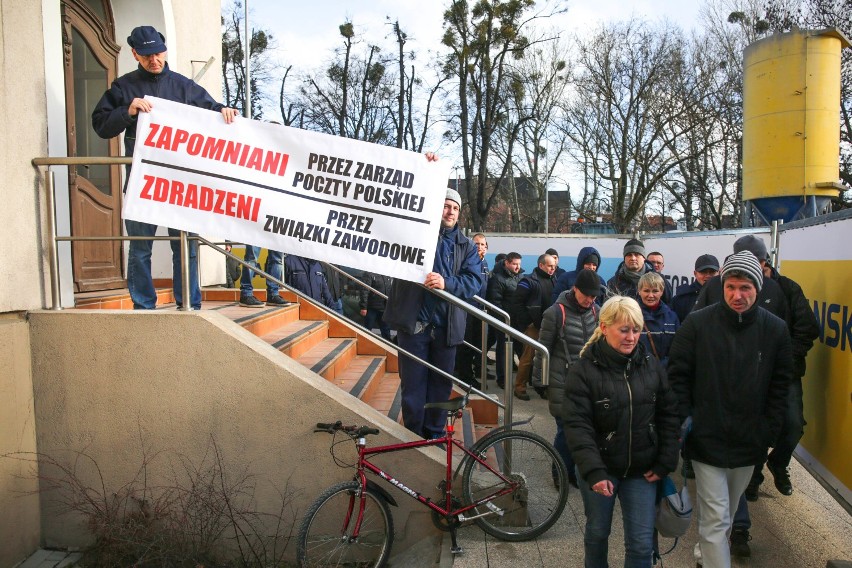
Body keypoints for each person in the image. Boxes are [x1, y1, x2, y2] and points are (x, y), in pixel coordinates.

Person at [92, 25, 238, 310]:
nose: (154, 60)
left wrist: (224, 110)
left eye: (158, 53)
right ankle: (144, 306)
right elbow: (100, 125)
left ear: (165, 49)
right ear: (135, 53)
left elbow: (211, 111)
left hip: (180, 186)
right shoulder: (123, 87)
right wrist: (127, 111)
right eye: (146, 55)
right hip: (142, 184)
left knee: (185, 247)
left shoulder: (184, 86)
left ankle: (190, 305)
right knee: (139, 249)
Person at [667, 251, 791, 568]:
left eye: (745, 288)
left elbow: (781, 385)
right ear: (722, 286)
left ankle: (706, 552)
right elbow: (677, 376)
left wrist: (768, 431)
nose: (737, 295)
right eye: (731, 287)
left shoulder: (775, 330)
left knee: (728, 513)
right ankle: (712, 555)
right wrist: (686, 419)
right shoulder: (698, 324)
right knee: (715, 519)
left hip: (749, 443)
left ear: (758, 288)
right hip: (706, 440)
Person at [564, 296, 680, 568]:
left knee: (641, 545)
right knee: (597, 533)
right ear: (604, 328)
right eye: (624, 329)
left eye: (636, 330)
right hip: (600, 469)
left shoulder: (650, 364)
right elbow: (577, 425)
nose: (631, 337)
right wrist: (594, 471)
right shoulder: (583, 370)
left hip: (642, 470)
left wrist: (665, 460)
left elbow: (668, 414)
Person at [726, 235, 819, 558]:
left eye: (760, 264)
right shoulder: (732, 290)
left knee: (793, 425)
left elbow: (808, 328)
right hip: (751, 378)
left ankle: (778, 463)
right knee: (751, 429)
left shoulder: (788, 290)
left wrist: (784, 361)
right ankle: (751, 479)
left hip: (786, 374)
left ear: (766, 262)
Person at [383, 186, 481, 439]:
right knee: (413, 385)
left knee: (440, 386)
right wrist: (427, 168)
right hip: (414, 324)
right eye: (446, 206)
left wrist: (447, 283)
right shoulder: (415, 234)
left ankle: (434, 434)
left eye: (455, 208)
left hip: (446, 328)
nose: (450, 212)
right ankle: (413, 435)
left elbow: (473, 281)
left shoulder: (467, 246)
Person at [533, 269, 602, 490]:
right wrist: (540, 381)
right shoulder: (555, 313)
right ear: (575, 289)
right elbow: (542, 350)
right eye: (586, 295)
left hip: (588, 384)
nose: (590, 300)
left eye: (594, 297)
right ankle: (560, 472)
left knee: (583, 431)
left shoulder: (598, 313)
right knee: (565, 431)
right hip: (561, 382)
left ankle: (571, 472)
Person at [509, 253, 557, 401]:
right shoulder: (528, 281)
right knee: (528, 358)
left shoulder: (554, 280)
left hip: (549, 325)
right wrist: (527, 323)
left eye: (554, 267)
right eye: (550, 266)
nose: (552, 269)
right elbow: (516, 303)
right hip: (534, 326)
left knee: (547, 358)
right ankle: (519, 387)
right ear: (541, 265)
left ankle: (542, 386)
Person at [454, 233, 491, 389]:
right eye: (477, 244)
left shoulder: (485, 264)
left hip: (479, 311)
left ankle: (474, 372)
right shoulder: (467, 261)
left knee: (478, 344)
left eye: (483, 245)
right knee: (466, 346)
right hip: (467, 309)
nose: (480, 247)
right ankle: (464, 376)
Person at [486, 252, 524, 389]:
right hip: (504, 320)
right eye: (514, 264)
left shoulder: (520, 276)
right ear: (507, 263)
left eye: (519, 264)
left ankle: (526, 375)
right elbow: (495, 302)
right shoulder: (498, 279)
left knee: (521, 347)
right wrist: (503, 319)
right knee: (502, 349)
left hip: (517, 319)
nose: (517, 267)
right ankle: (502, 378)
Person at [607, 239, 672, 304]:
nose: (633, 258)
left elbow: (668, 306)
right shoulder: (614, 282)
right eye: (629, 255)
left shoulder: (660, 280)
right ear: (624, 258)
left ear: (643, 258)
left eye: (637, 254)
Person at [636, 272, 680, 367]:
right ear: (639, 291)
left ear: (662, 292)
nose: (650, 295)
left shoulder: (672, 317)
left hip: (665, 373)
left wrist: (662, 366)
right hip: (639, 372)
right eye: (646, 291)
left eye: (655, 291)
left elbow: (678, 349)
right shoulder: (631, 316)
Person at [671, 254, 719, 324]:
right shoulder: (681, 299)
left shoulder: (726, 295)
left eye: (712, 272)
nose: (708, 275)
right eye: (703, 271)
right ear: (695, 273)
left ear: (719, 273)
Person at [359, 271, 394, 341]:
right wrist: (363, 307)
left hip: (384, 308)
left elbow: (391, 290)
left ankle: (387, 348)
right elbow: (364, 290)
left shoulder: (387, 274)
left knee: (386, 330)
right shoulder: (369, 273)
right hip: (371, 308)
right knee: (367, 329)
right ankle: (363, 344)